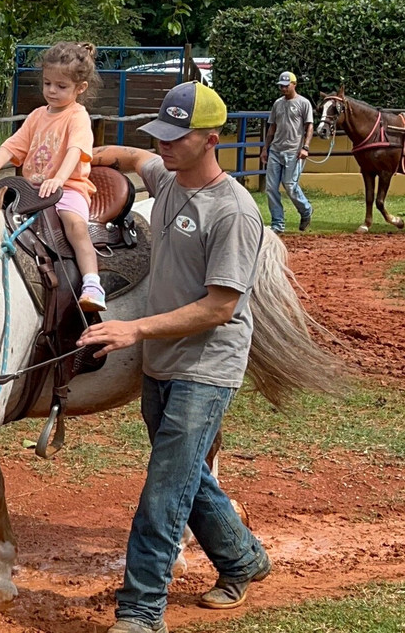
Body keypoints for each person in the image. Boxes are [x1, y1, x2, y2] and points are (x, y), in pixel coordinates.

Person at [77, 81, 271, 633]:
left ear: (211, 139)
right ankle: (242, 558)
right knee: (187, 477)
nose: (163, 144)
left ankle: (141, 612)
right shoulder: (165, 177)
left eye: (175, 136)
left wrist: (134, 328)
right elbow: (130, 156)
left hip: (206, 367)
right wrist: (78, 159)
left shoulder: (233, 212)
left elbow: (220, 306)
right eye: (160, 133)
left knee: (165, 489)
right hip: (161, 360)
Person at [0, 41, 105, 311]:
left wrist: (59, 179)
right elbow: (12, 146)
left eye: (61, 86)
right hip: (32, 190)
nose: (52, 90)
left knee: (75, 225)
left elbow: (75, 150)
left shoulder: (77, 117)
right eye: (47, 83)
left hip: (69, 188)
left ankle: (92, 283)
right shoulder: (36, 116)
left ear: (80, 88)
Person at [260, 71, 314, 234]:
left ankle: (306, 210)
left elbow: (309, 126)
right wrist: (265, 148)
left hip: (294, 152)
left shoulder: (304, 103)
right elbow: (272, 127)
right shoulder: (277, 104)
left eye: (286, 86)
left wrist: (305, 147)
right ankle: (277, 223)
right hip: (276, 151)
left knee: (290, 185)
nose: (283, 89)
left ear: (294, 84)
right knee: (271, 188)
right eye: (281, 86)